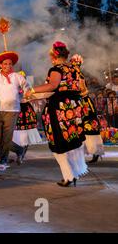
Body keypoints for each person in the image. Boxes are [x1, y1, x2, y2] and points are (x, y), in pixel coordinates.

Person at [25, 41, 88, 187]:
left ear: (53, 55)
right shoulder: (75, 69)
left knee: (57, 144)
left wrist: (32, 90)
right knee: (72, 142)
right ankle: (74, 173)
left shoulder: (56, 69)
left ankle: (69, 176)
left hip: (59, 111)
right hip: (73, 110)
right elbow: (79, 88)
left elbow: (53, 85)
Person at [0, 49, 30, 172]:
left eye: (10, 64)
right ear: (1, 65)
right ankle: (19, 150)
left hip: (12, 111)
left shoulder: (17, 76)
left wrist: (25, 93)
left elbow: (26, 87)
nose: (8, 66)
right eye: (5, 64)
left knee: (7, 138)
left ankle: (3, 161)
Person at [70, 54, 105, 164]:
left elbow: (83, 90)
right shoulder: (74, 75)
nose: (74, 67)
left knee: (89, 128)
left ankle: (95, 152)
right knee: (79, 128)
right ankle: (84, 153)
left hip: (84, 103)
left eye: (75, 65)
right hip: (80, 102)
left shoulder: (78, 76)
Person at [12, 72, 43, 155]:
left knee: (27, 133)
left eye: (23, 77)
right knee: (17, 132)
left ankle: (22, 153)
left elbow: (31, 96)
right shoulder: (13, 86)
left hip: (26, 109)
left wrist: (34, 101)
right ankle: (19, 152)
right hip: (17, 109)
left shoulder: (27, 86)